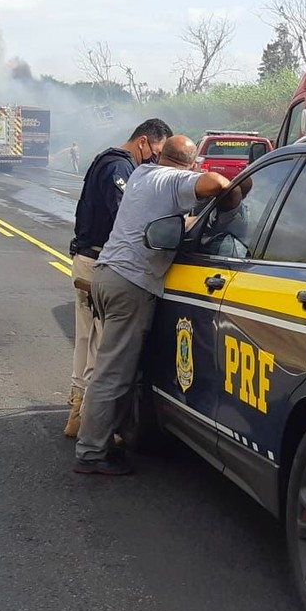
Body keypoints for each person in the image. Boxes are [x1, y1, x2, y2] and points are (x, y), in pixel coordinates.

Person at [73, 135, 240, 475]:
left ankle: (105, 438)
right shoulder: (174, 180)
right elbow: (218, 183)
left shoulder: (142, 174)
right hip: (130, 283)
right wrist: (235, 195)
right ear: (190, 164)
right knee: (113, 374)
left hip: (107, 275)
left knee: (117, 367)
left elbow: (170, 220)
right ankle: (91, 454)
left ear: (160, 153)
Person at [63, 119, 173, 438]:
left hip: (87, 259)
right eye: (156, 151)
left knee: (87, 342)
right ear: (142, 141)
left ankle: (78, 411)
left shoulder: (105, 160)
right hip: (100, 263)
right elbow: (124, 218)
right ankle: (91, 425)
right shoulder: (119, 170)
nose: (155, 158)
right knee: (102, 347)